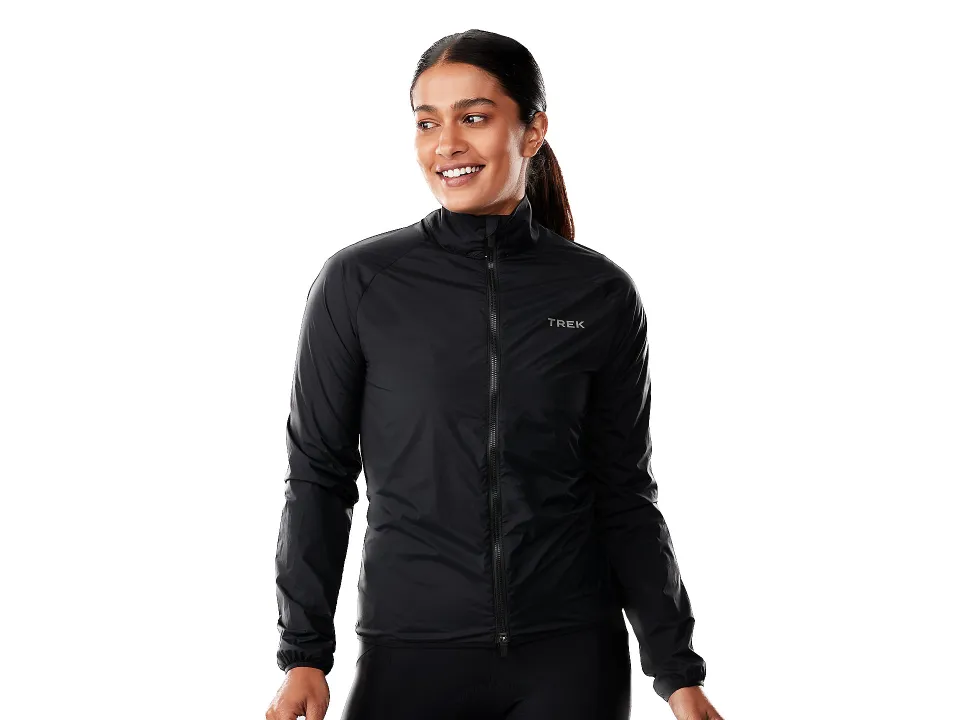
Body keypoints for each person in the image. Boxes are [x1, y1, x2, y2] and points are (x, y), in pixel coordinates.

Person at [265, 29, 724, 720]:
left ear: (532, 131)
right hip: (411, 653)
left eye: (474, 118)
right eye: (427, 123)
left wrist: (676, 671)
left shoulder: (597, 293)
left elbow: (624, 491)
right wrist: (304, 653)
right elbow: (319, 476)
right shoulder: (359, 283)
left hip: (571, 658)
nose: (446, 144)